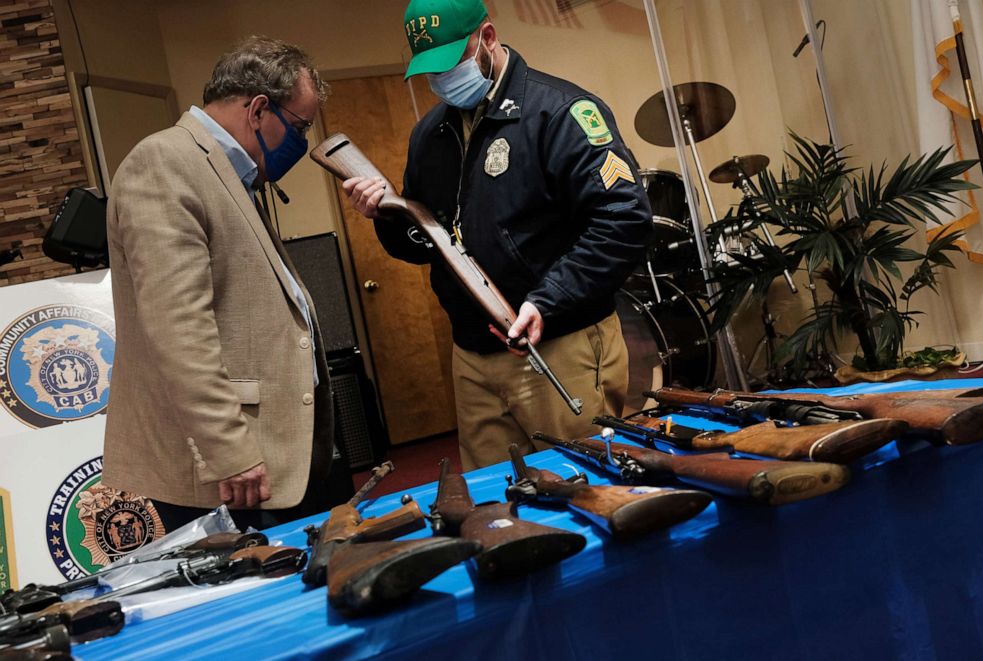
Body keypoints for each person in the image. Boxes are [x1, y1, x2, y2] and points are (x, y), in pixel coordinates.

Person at [345, 0, 652, 470]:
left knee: (584, 485)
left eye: (451, 63)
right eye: (431, 70)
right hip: (473, 354)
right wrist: (386, 214)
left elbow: (624, 219)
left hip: (557, 341)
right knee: (496, 507)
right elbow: (429, 242)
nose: (442, 79)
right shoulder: (430, 135)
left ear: (487, 38)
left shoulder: (561, 111)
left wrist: (548, 299)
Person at [103, 36, 354, 532]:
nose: (301, 143)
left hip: (276, 451)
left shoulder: (229, 171)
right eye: (299, 126)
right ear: (259, 109)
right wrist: (228, 449)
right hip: (233, 469)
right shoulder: (165, 163)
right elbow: (178, 328)